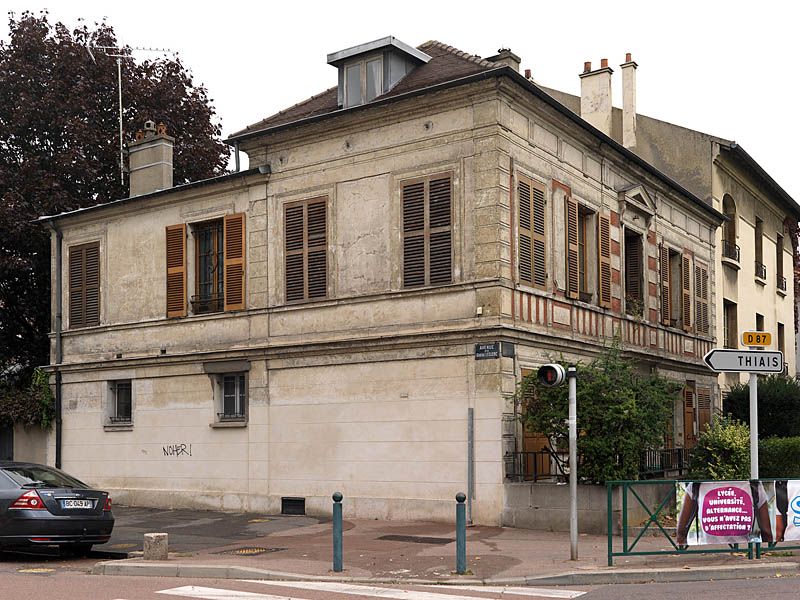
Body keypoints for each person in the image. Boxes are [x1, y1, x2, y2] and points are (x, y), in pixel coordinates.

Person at [676, 481, 772, 547]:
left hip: (709, 554)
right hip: (744, 552)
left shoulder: (696, 485)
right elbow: (767, 533)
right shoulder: (753, 485)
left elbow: (681, 533)